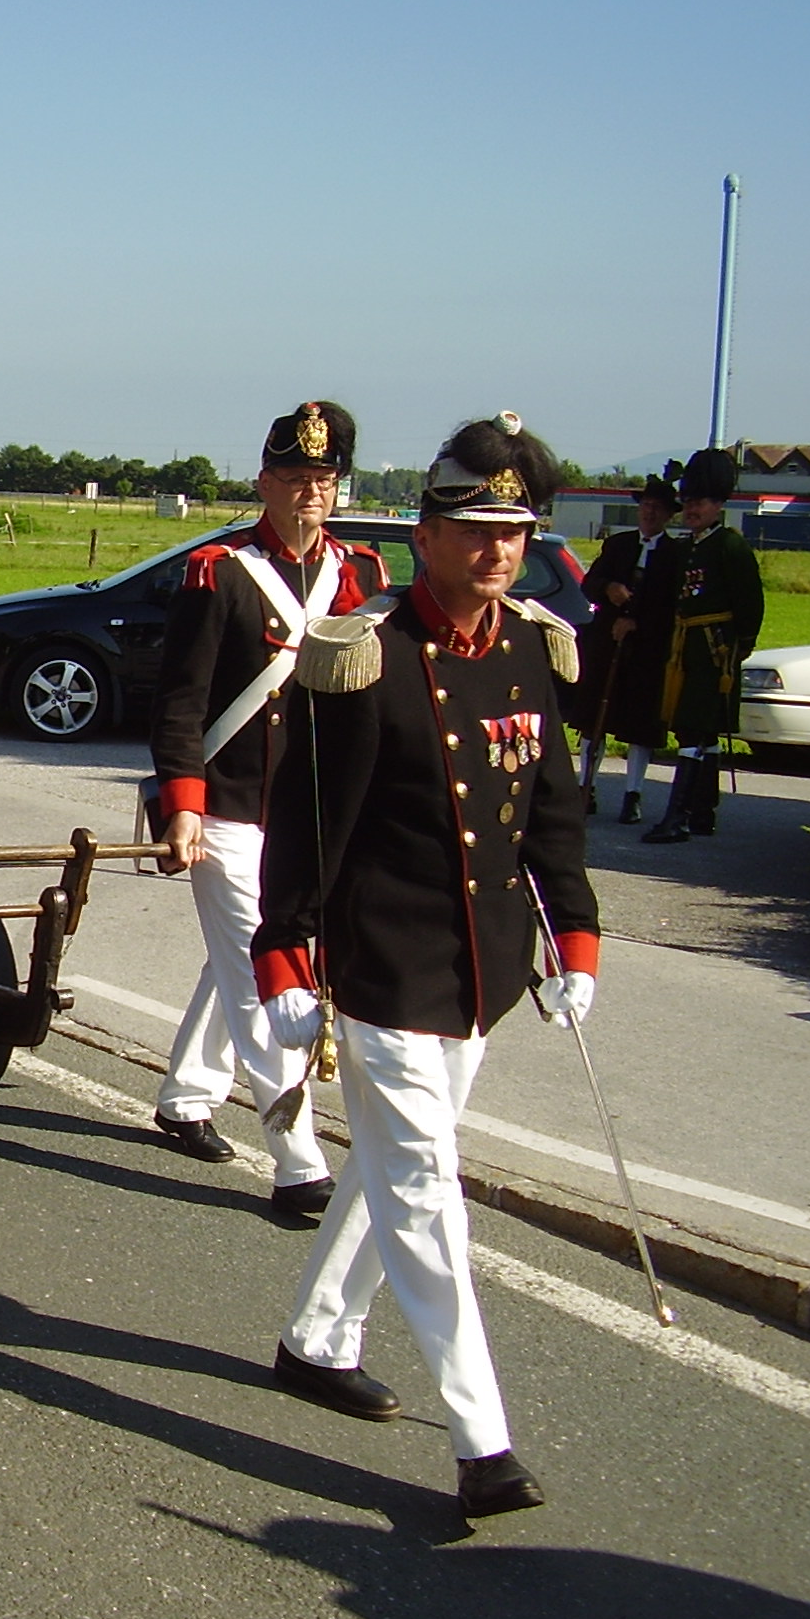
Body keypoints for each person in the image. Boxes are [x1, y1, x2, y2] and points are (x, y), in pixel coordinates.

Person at [251, 411, 599, 1520]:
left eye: (515, 531)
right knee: (423, 1187)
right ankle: (482, 1440)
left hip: (482, 963)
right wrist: (284, 954)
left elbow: (551, 811)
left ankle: (316, 1338)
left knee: (400, 1162)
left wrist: (575, 935)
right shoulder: (362, 653)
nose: (497, 550)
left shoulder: (531, 646)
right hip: (385, 958)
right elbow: (305, 822)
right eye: (475, 529)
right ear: (426, 534)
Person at [147, 401, 385, 1211]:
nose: (310, 491)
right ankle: (297, 1157)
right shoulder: (220, 573)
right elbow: (180, 703)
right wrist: (183, 804)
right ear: (264, 482)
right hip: (229, 802)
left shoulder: (360, 575)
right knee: (266, 974)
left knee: (240, 955)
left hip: (313, 809)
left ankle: (186, 1095)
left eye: (323, 478)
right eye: (294, 477)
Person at [643, 448, 763, 844]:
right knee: (698, 732)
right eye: (689, 501)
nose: (692, 509)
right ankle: (701, 813)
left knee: (696, 730)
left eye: (701, 502)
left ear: (719, 505)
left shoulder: (730, 547)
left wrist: (737, 649)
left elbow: (750, 604)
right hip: (685, 650)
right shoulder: (687, 547)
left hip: (714, 652)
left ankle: (677, 817)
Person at [575, 464, 683, 822]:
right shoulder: (618, 545)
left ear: (667, 515)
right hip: (606, 645)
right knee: (594, 719)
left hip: (646, 651)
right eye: (646, 506)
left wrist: (637, 622)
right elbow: (589, 584)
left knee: (640, 725)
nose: (649, 513)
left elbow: (672, 606)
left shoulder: (675, 555)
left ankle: (632, 794)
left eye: (657, 509)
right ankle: (586, 786)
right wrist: (609, 588)